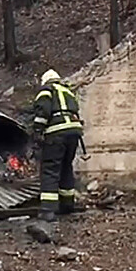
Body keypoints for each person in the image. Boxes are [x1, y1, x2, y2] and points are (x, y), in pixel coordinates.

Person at [32, 69, 84, 222]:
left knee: (50, 169)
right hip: (74, 133)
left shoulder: (46, 91)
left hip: (56, 133)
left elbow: (43, 112)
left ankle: (48, 210)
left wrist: (37, 131)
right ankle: (67, 205)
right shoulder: (68, 91)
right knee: (66, 166)